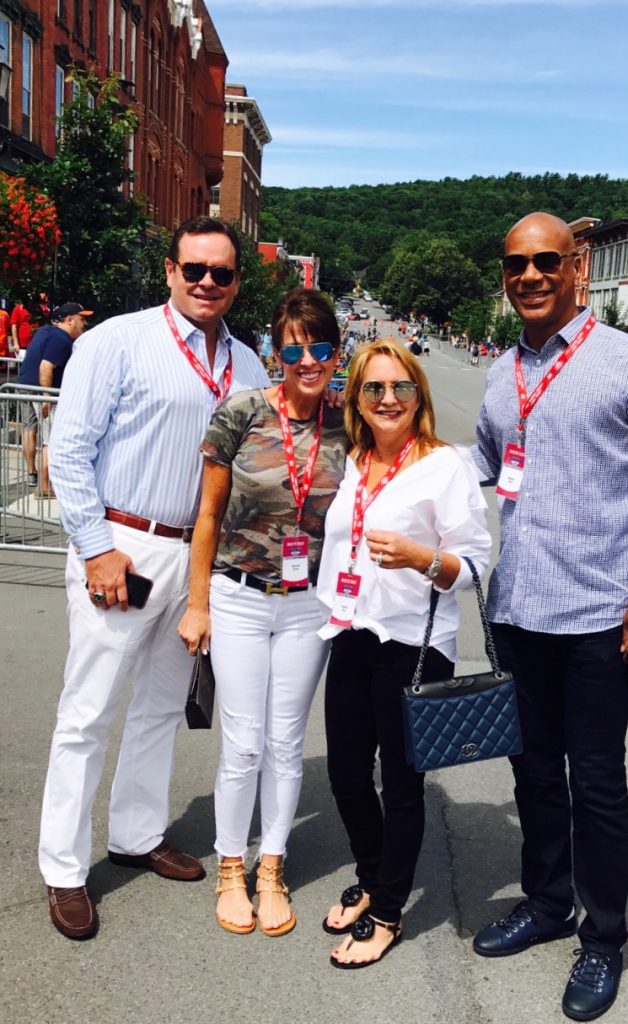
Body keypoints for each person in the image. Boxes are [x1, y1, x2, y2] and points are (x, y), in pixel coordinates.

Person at [470, 213, 628, 1021]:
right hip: (521, 608)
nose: (528, 276)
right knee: (531, 770)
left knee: (595, 780)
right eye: (514, 264)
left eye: (543, 262)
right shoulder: (504, 372)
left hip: (604, 613)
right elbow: (484, 468)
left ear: (574, 267)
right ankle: (547, 901)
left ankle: (602, 938)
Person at [39, 216, 271, 941]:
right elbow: (68, 451)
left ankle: (135, 835)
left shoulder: (249, 365)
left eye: (222, 273)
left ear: (236, 282)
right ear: (170, 271)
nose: (207, 283)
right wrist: (96, 548)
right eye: (194, 269)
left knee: (162, 705)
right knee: (89, 709)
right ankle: (64, 868)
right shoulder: (117, 340)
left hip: (198, 561)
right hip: (125, 546)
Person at [177, 288, 347, 938]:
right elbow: (209, 516)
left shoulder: (347, 425)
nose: (307, 359)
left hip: (311, 607)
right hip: (239, 597)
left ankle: (270, 866)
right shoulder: (241, 412)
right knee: (243, 744)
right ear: (277, 350)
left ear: (336, 351)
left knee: (285, 744)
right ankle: (230, 868)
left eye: (320, 346)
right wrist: (197, 605)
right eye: (293, 347)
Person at [317, 339, 491, 969]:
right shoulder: (355, 460)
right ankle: (371, 875)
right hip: (352, 631)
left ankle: (389, 910)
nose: (388, 399)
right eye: (374, 388)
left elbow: (475, 562)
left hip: (414, 645)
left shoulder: (444, 466)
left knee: (402, 782)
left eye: (401, 388)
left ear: (419, 396)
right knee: (344, 772)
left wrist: (424, 559)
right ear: (356, 398)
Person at [17, 302, 92, 492]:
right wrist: (46, 398)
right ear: (69, 320)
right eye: (81, 319)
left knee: (29, 430)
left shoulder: (45, 331)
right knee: (51, 440)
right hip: (42, 391)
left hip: (23, 384)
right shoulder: (62, 339)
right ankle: (45, 486)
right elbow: (45, 367)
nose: (84, 324)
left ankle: (32, 474)